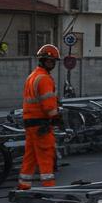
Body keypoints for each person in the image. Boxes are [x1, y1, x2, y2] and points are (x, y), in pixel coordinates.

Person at [18, 44, 63, 190]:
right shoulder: (44, 79)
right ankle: (49, 188)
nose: (53, 64)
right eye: (51, 61)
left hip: (30, 123)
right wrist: (56, 117)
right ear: (43, 61)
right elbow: (48, 104)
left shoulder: (32, 76)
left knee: (30, 156)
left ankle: (24, 186)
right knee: (46, 156)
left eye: (54, 61)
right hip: (41, 124)